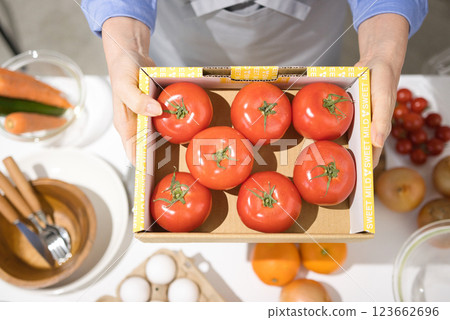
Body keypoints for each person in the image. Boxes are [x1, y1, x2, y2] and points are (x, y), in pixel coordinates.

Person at [81, 0, 428, 166]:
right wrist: (124, 38)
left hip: (311, 23)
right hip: (181, 22)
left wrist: (383, 47)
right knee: (176, 78)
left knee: (315, 81)